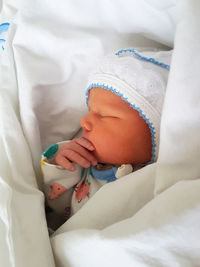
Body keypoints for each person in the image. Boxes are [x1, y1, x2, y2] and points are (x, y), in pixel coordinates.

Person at [41, 48, 171, 229]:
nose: (84, 122)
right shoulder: (84, 170)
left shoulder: (161, 180)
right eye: (90, 112)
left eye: (105, 116)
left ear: (157, 135)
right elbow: (58, 209)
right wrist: (61, 165)